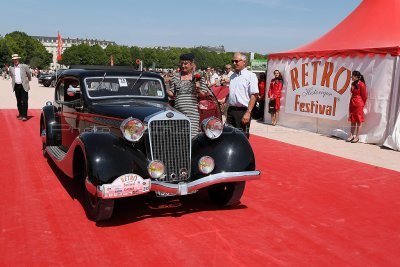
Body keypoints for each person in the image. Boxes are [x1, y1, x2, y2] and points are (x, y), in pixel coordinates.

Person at [166, 53, 209, 138]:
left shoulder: (198, 76)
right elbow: (172, 93)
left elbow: (203, 95)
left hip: (192, 114)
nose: (183, 66)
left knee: (192, 138)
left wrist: (198, 89)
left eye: (185, 64)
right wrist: (163, 90)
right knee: (178, 138)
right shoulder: (176, 76)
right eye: (181, 63)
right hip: (178, 113)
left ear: (192, 64)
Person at [224, 52, 259, 138]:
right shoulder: (232, 76)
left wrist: (248, 112)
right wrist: (224, 100)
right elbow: (233, 92)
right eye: (233, 61)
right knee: (228, 137)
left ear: (244, 62)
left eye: (236, 61)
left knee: (242, 138)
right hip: (231, 111)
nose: (234, 63)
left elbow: (254, 95)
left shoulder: (251, 76)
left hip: (243, 111)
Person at [346, 70, 368, 143]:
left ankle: (357, 136)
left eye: (352, 75)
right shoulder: (352, 84)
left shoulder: (361, 84)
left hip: (358, 103)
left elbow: (364, 96)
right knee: (352, 120)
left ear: (356, 76)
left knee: (359, 120)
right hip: (352, 103)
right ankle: (351, 135)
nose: (351, 77)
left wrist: (362, 104)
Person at [9, 54, 31, 121]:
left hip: (23, 85)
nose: (16, 60)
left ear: (19, 59)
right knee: (18, 101)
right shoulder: (11, 68)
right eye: (14, 59)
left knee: (24, 101)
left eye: (17, 59)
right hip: (16, 86)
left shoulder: (24, 66)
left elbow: (29, 74)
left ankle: (24, 116)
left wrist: (27, 81)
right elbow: (11, 76)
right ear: (13, 61)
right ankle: (21, 114)